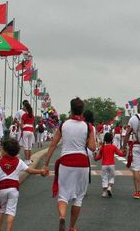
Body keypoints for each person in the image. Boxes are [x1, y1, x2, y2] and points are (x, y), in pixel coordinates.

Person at [42, 97, 97, 231]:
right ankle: (72, 227)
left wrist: (46, 164)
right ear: (82, 110)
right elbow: (93, 147)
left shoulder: (64, 125)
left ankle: (62, 217)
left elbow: (53, 145)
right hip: (83, 163)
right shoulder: (88, 126)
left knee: (63, 195)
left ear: (71, 109)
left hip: (66, 162)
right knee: (79, 198)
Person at [0, 139, 46, 231]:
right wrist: (40, 171)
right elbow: (29, 170)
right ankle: (8, 229)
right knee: (11, 211)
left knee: (1, 210)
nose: (1, 150)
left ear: (5, 151)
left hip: (2, 189)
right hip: (13, 189)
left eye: (2, 149)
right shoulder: (19, 162)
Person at [94, 133, 125, 198]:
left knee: (104, 178)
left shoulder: (102, 147)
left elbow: (99, 157)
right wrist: (125, 152)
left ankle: (104, 192)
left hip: (104, 165)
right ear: (112, 139)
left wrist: (95, 157)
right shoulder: (113, 147)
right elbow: (120, 154)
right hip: (112, 165)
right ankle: (109, 187)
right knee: (112, 177)